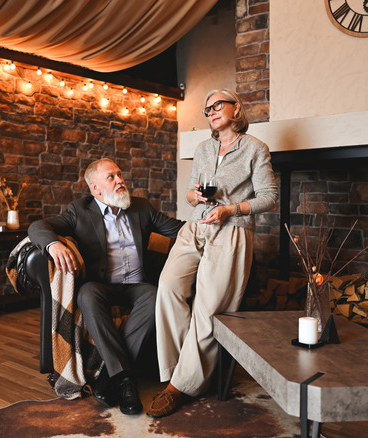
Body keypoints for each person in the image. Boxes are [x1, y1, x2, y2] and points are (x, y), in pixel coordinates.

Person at [147, 89, 278, 418]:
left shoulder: (255, 149)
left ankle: (180, 387)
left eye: (218, 104)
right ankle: (179, 371)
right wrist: (195, 197)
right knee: (168, 288)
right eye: (207, 109)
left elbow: (269, 197)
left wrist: (230, 209)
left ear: (236, 109)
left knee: (208, 309)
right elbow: (191, 193)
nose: (211, 111)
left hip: (231, 231)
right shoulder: (203, 148)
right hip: (194, 229)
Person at [27, 158, 184, 415]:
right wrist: (52, 244)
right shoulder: (80, 210)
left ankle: (114, 379)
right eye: (111, 177)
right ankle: (125, 379)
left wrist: (211, 223)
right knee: (86, 295)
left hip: (138, 285)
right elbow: (38, 226)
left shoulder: (141, 207)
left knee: (156, 295)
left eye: (120, 175)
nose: (120, 180)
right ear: (95, 188)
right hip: (101, 285)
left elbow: (178, 230)